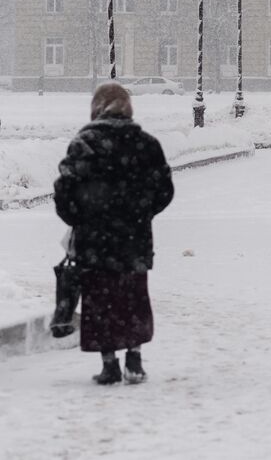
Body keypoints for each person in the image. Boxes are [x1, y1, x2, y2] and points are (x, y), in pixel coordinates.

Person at [54, 83, 175, 384]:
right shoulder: (146, 144)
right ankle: (134, 360)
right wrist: (142, 212)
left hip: (95, 241)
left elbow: (64, 191)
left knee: (99, 300)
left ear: (97, 108)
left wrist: (79, 217)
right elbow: (164, 189)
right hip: (134, 239)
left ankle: (109, 364)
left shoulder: (84, 144)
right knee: (133, 297)